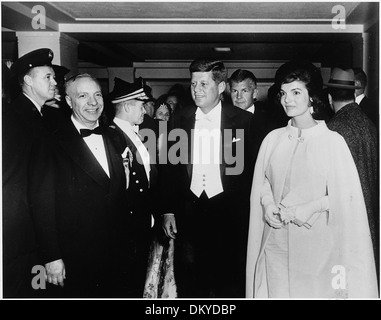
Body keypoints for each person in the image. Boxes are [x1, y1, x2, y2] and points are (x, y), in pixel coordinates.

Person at [246, 60, 378, 298]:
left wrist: (311, 207)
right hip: (275, 246)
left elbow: (346, 198)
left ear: (313, 97)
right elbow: (264, 181)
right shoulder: (272, 140)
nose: (288, 100)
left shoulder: (332, 141)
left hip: (316, 249)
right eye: (284, 93)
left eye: (296, 92)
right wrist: (267, 205)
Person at [161, 58, 257, 297]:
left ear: (221, 87)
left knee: (229, 281)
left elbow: (253, 173)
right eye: (194, 84)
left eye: (204, 84)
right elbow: (170, 170)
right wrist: (168, 210)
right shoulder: (178, 119)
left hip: (230, 215)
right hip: (189, 212)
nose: (197, 90)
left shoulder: (245, 122)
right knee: (191, 282)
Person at [39, 73, 133, 297]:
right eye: (83, 96)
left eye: (97, 95)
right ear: (69, 102)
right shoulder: (50, 143)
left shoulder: (115, 137)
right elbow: (41, 205)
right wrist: (51, 256)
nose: (93, 102)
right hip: (76, 257)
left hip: (117, 254)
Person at [2, 48, 57, 297]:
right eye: (48, 77)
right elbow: (11, 182)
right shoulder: (14, 118)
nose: (55, 82)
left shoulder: (40, 116)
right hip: (21, 237)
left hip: (33, 233)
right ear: (27, 80)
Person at [326, 67, 379, 283]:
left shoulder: (333, 128)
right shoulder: (369, 123)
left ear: (330, 98)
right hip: (371, 216)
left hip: (347, 221)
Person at [108, 77, 159, 296]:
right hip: (126, 224)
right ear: (127, 106)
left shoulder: (133, 132)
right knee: (126, 283)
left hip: (141, 220)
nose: (145, 111)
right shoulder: (112, 136)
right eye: (141, 105)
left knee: (137, 278)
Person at [229, 69, 276, 156]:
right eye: (235, 91)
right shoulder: (223, 119)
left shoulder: (270, 123)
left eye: (244, 91)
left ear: (254, 93)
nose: (239, 97)